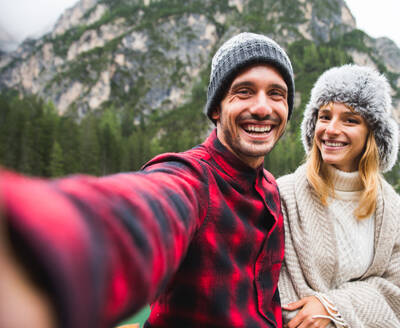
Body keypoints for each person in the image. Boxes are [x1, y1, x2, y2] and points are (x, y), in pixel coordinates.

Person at [0, 32, 295, 328]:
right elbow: (142, 212)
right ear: (216, 108)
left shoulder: (271, 188)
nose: (262, 108)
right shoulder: (192, 178)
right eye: (244, 91)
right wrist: (34, 243)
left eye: (276, 94)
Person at [277, 65, 400, 328]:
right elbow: (279, 293)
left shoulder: (396, 212)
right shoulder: (283, 196)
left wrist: (333, 306)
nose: (331, 129)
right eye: (324, 116)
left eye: (350, 120)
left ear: (373, 134)